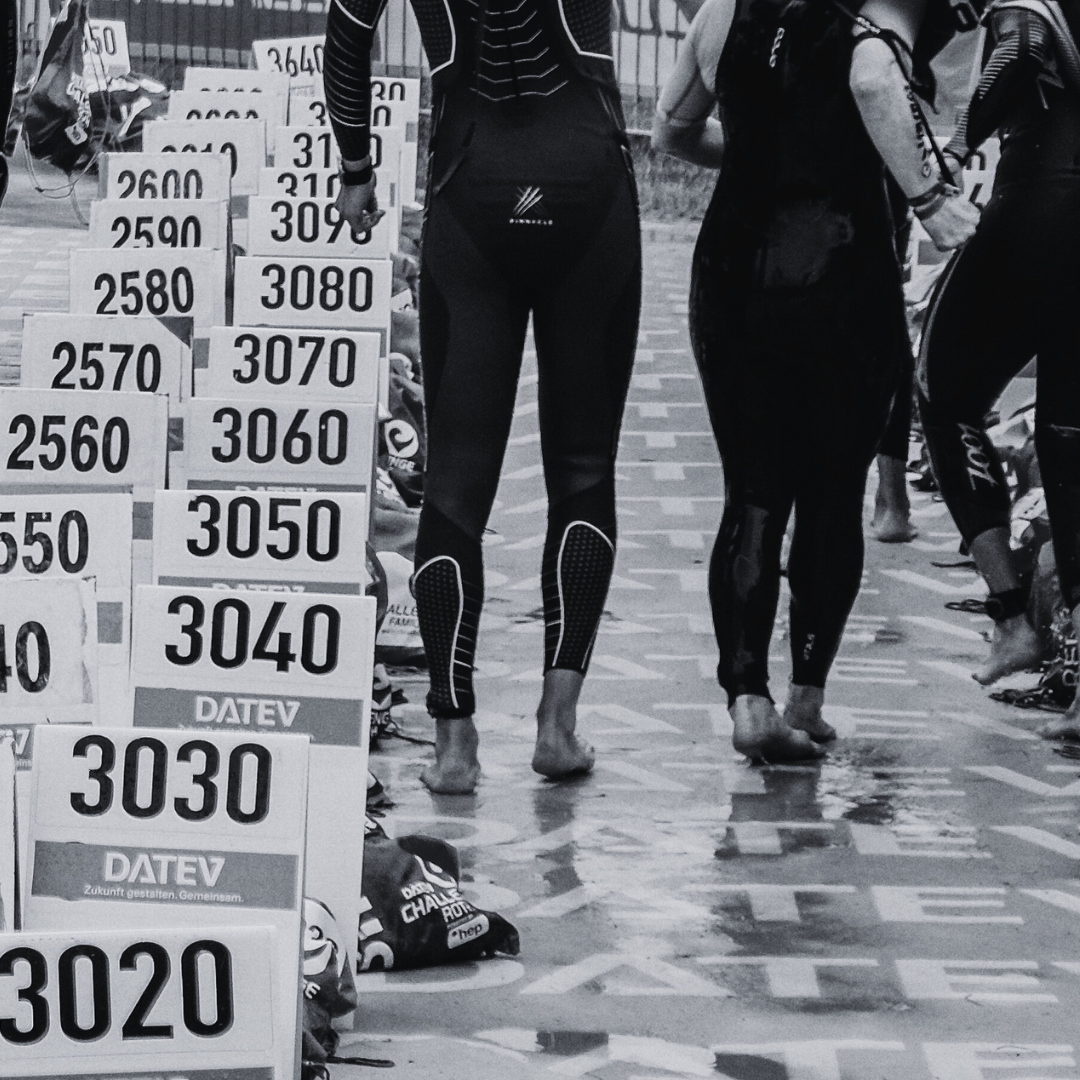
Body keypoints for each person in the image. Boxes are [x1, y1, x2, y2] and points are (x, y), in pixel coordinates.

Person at [325, 0, 641, 792]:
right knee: (582, 468)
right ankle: (557, 726)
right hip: (588, 183)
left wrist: (356, 169)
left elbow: (347, 37)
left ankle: (454, 746)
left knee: (457, 488)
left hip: (472, 187)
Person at [652, 0, 978, 762]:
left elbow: (670, 130)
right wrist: (930, 200)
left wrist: (760, 153)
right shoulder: (876, 11)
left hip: (735, 269)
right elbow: (874, 86)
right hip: (842, 267)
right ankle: (806, 698)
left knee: (753, 492)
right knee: (834, 489)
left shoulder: (723, 12)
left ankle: (747, 699)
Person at [918, 0, 1080, 734]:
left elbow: (1020, 47)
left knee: (941, 392)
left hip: (1044, 204)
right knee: (1069, 439)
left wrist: (953, 148)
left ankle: (1015, 618)